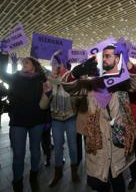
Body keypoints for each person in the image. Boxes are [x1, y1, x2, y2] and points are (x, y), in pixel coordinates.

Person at [42, 42, 136, 192]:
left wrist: (128, 63)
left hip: (118, 140)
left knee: (117, 179)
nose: (104, 59)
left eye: (108, 56)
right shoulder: (89, 83)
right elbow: (70, 87)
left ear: (117, 59)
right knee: (100, 180)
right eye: (102, 56)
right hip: (97, 141)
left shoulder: (122, 81)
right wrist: (75, 73)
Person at [0, 52, 47, 192]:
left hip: (37, 120)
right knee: (19, 154)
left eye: (26, 62)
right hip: (18, 120)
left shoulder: (41, 79)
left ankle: (34, 174)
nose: (23, 64)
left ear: (34, 66)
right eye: (22, 63)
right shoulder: (15, 77)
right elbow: (2, 73)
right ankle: (17, 182)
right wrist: (3, 56)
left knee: (35, 151)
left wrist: (48, 93)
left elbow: (48, 94)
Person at [40, 51, 80, 186]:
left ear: (65, 64)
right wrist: (47, 92)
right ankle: (58, 173)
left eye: (59, 63)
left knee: (73, 146)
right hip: (56, 120)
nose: (57, 66)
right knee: (57, 147)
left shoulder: (72, 79)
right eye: (54, 64)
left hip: (70, 118)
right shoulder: (48, 80)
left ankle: (74, 171)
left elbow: (78, 101)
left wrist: (72, 87)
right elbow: (42, 106)